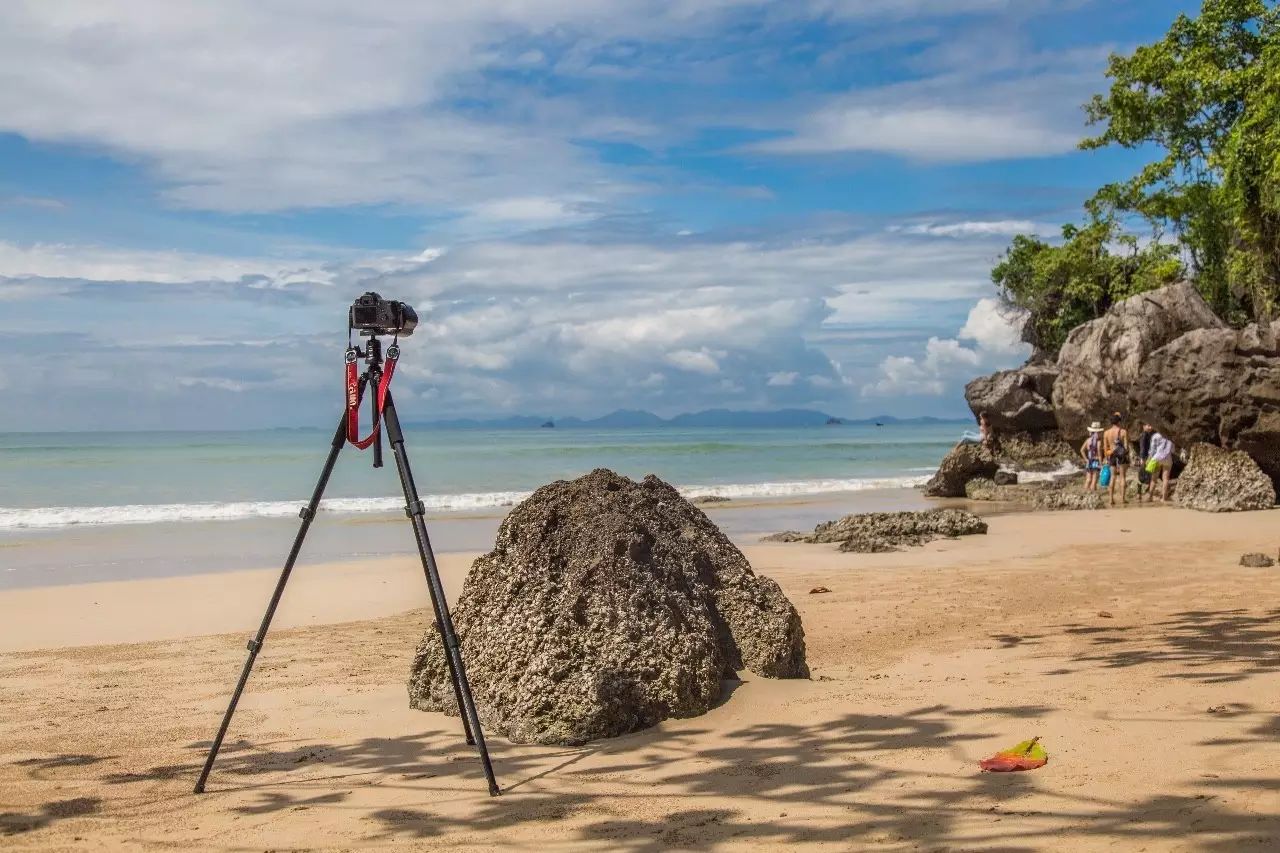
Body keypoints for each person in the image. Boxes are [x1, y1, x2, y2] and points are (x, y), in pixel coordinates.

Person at [1102, 413, 1131, 506]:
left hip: (1112, 455)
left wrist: (1107, 458)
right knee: (1122, 477)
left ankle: (1111, 499)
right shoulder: (1123, 432)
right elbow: (1126, 447)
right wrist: (1127, 455)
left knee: (1113, 477)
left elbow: (1105, 448)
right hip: (1122, 455)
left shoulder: (1106, 433)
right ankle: (1122, 499)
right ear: (1119, 421)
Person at [1148, 428, 1175, 502]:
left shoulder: (1156, 436)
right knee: (1165, 479)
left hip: (1157, 458)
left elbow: (1152, 449)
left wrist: (1149, 459)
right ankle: (1164, 498)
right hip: (1168, 458)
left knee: (1153, 479)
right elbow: (1173, 450)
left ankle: (1150, 497)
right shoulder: (1171, 437)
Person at [1080, 421, 1103, 491]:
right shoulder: (1099, 442)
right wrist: (1101, 464)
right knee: (1094, 480)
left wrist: (1086, 459)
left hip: (1089, 461)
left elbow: (1082, 450)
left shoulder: (1088, 440)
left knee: (1088, 479)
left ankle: (1085, 493)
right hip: (1096, 461)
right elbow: (1099, 455)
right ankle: (1093, 495)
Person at [1135, 422, 1155, 501]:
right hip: (1145, 457)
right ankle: (1139, 494)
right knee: (1143, 475)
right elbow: (1143, 447)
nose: (1150, 427)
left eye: (1151, 425)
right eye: (1148, 425)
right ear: (1144, 426)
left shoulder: (1148, 434)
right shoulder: (1144, 435)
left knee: (1144, 475)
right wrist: (1142, 458)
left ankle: (1140, 493)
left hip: (1146, 457)